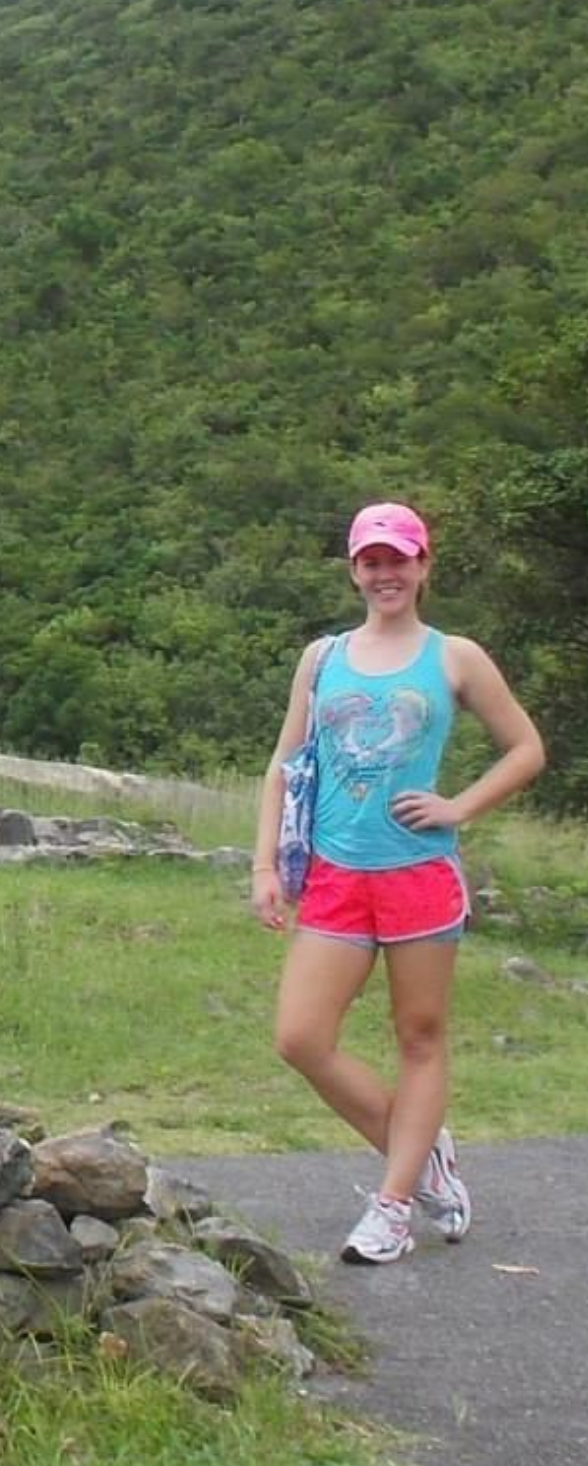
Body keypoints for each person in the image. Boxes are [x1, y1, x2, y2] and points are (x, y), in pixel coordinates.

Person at [255, 501, 548, 1264]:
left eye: (399, 558)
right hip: (336, 876)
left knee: (420, 1038)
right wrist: (265, 865)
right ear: (354, 569)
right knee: (300, 1037)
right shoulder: (323, 659)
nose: (386, 573)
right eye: (371, 560)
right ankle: (425, 1161)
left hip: (418, 875)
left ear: (423, 566)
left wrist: (459, 805)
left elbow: (525, 748)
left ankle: (393, 1205)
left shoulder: (454, 657)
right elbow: (286, 763)